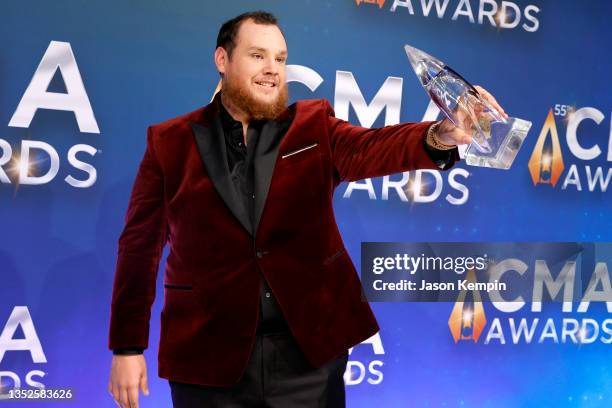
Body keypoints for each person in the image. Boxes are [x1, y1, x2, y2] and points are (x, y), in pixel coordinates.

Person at [108, 10, 507, 408]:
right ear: (222, 60)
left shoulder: (313, 126)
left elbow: (373, 148)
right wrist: (127, 347)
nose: (272, 69)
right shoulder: (169, 143)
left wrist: (440, 135)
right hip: (208, 359)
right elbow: (139, 248)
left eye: (280, 59)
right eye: (257, 56)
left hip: (309, 360)